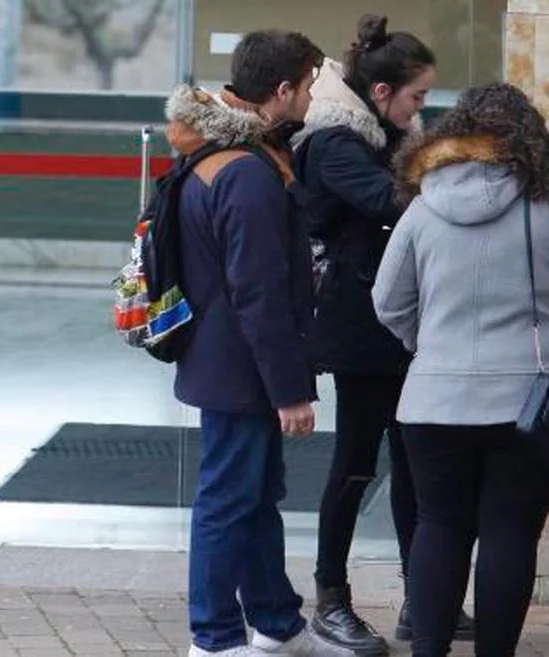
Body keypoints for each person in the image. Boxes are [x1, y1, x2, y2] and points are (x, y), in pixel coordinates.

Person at [371, 83, 549, 657]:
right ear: (533, 142)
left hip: (432, 405)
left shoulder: (421, 208)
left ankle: (428, 649)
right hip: (531, 407)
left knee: (438, 527)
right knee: (510, 534)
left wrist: (431, 344)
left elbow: (387, 301)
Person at [166, 29, 354, 657]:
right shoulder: (246, 173)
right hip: (240, 366)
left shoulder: (227, 153)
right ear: (282, 91)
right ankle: (215, 639)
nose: (311, 98)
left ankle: (276, 624)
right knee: (228, 500)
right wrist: (290, 390)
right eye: (307, 87)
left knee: (253, 496)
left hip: (228, 359)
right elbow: (260, 293)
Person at [291, 14, 472, 655]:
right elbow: (391, 203)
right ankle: (331, 600)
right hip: (357, 333)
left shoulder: (388, 137)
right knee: (355, 468)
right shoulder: (336, 144)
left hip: (398, 328)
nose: (425, 106)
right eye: (419, 96)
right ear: (381, 94)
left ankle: (421, 600)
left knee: (416, 467)